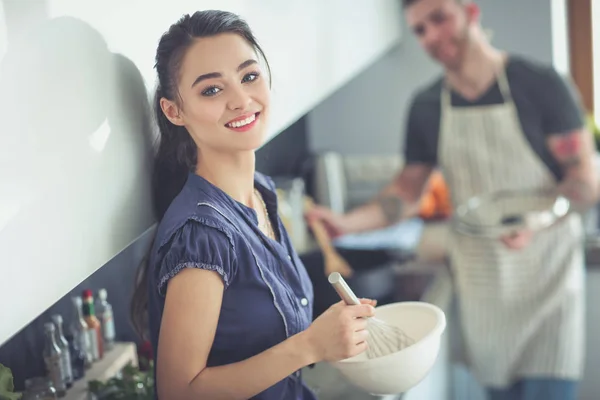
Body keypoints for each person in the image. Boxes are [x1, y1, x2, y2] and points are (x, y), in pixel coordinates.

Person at [306, 0, 599, 399]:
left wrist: (540, 220)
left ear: (471, 12)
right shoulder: (427, 107)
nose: (431, 37)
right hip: (482, 283)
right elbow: (407, 193)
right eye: (420, 30)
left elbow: (585, 180)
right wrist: (346, 224)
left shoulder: (541, 84)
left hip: (546, 276)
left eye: (439, 18)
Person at [129, 10, 377, 400]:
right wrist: (311, 345)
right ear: (174, 111)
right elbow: (179, 393)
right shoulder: (202, 236)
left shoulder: (262, 193)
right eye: (212, 90)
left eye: (249, 76)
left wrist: (336, 332)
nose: (242, 100)